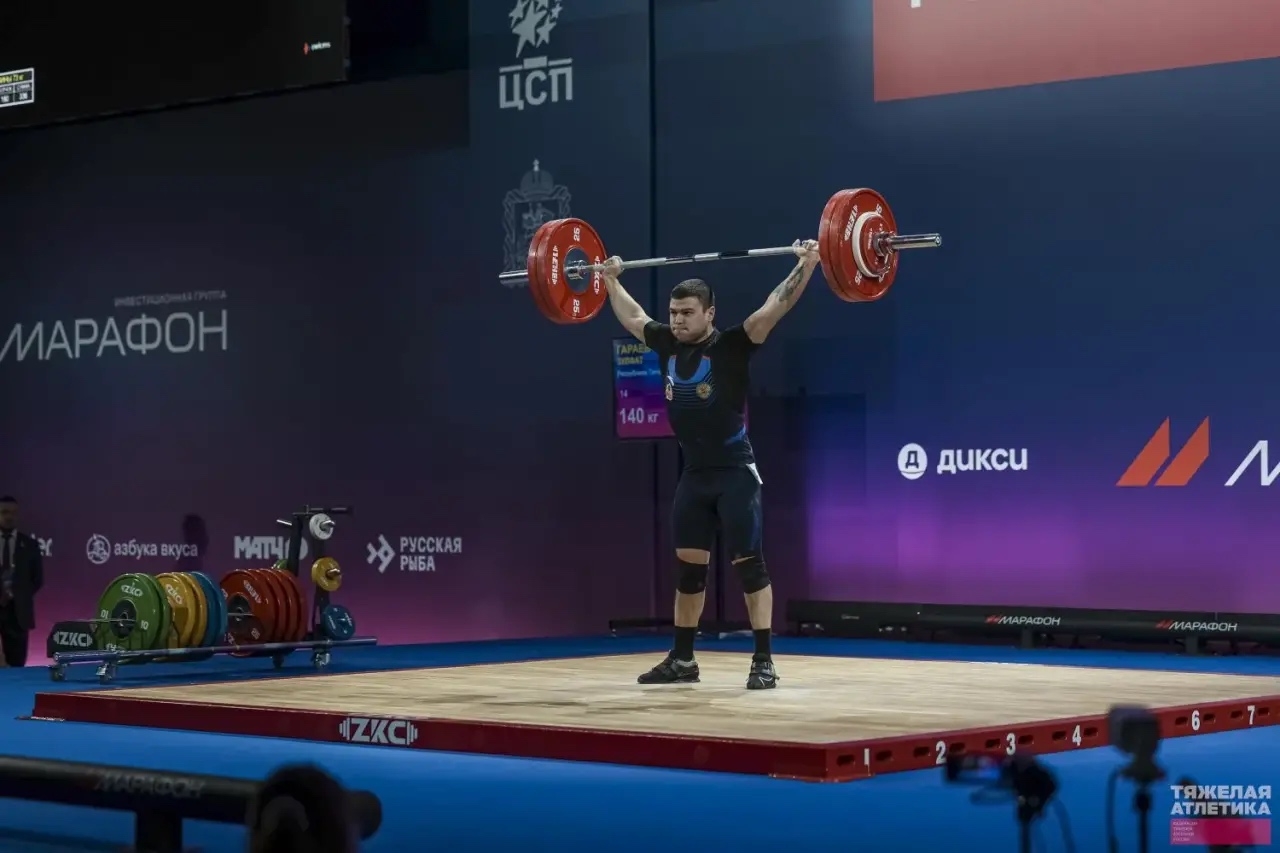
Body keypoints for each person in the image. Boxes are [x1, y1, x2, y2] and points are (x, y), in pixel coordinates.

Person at [602, 240, 822, 689]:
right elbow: (633, 317)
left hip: (735, 474)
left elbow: (775, 306)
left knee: (749, 566)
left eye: (687, 312)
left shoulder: (734, 345)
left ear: (710, 313)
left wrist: (808, 263)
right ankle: (683, 659)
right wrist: (610, 280)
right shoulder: (666, 343)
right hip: (695, 476)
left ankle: (763, 660)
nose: (677, 320)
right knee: (689, 570)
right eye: (674, 312)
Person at [0, 495, 44, 668]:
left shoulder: (30, 545)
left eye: (13, 513)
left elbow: (37, 579)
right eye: (4, 512)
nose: (9, 517)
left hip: (18, 614)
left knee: (17, 664)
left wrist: (17, 595)